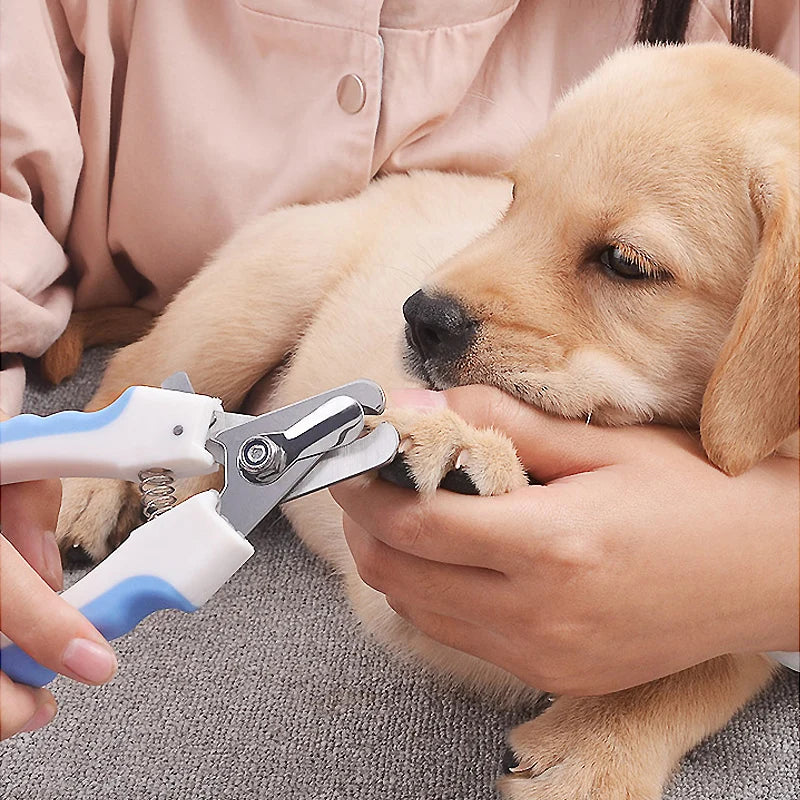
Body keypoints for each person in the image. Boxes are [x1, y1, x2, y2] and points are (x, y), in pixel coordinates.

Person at [1, 0, 797, 739]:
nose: (440, 300)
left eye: (624, 262)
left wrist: (762, 570)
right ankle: (135, 410)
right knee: (292, 259)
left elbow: (741, 637)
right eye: (514, 198)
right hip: (344, 257)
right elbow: (397, 595)